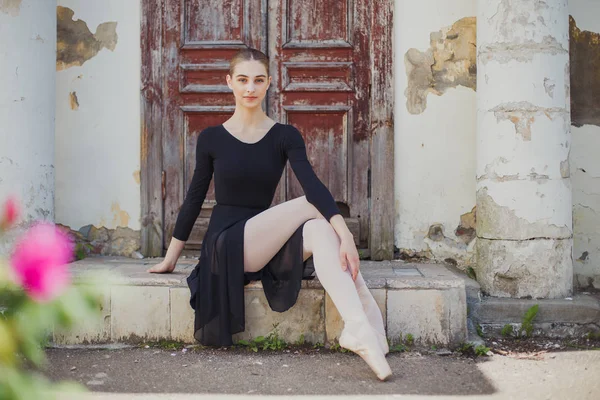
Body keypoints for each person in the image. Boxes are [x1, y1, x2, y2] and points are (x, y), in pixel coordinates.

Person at [148, 48, 392, 381]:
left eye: (258, 80)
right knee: (313, 207)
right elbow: (193, 199)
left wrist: (337, 234)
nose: (250, 88)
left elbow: (312, 182)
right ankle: (368, 321)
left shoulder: (284, 135)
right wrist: (170, 259)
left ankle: (359, 327)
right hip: (226, 243)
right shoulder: (211, 138)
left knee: (321, 232)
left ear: (268, 84)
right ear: (229, 82)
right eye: (243, 80)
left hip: (263, 242)